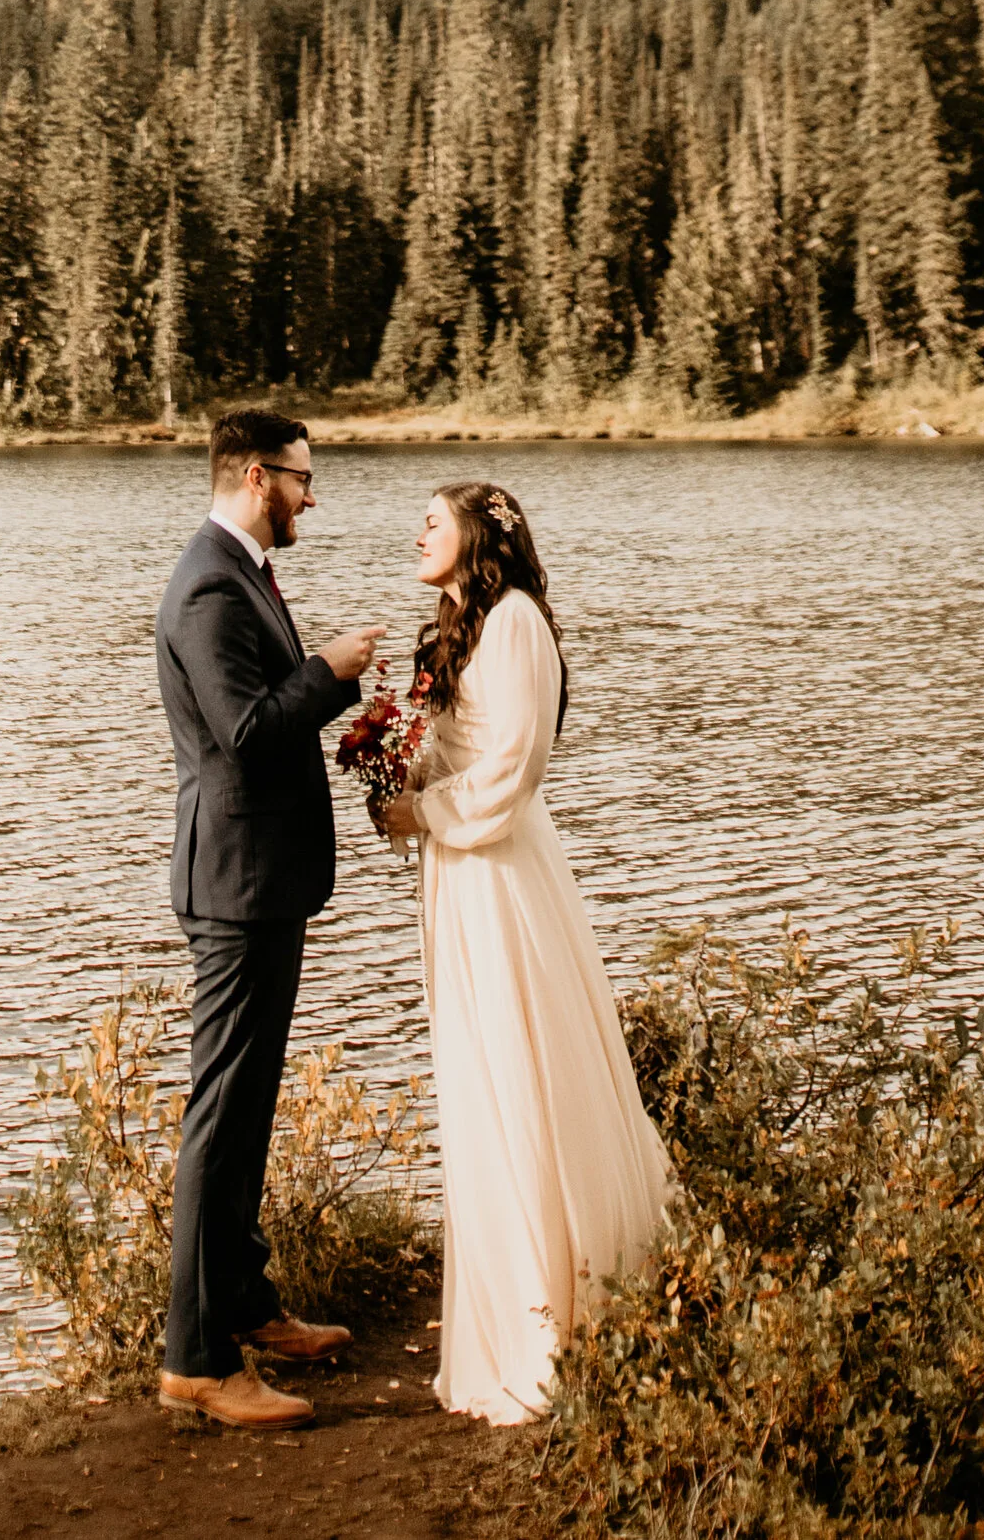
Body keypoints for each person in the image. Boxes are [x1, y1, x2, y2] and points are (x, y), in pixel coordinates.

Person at [377, 479, 670, 1424]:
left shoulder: (514, 625)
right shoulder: (455, 626)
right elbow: (455, 749)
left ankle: (564, 1309)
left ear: (476, 539)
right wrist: (398, 772)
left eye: (433, 520)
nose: (418, 533)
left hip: (502, 873)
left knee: (521, 1067)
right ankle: (511, 1303)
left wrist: (420, 809)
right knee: (476, 1078)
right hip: (457, 880)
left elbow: (510, 771)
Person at [153, 405, 384, 1429]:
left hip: (263, 879)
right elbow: (244, 735)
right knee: (220, 1114)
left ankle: (245, 1308)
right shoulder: (208, 584)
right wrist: (329, 676)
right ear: (254, 475)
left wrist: (330, 701)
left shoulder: (235, 571)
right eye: (299, 475)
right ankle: (196, 1361)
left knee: (245, 1108)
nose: (309, 494)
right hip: (236, 887)